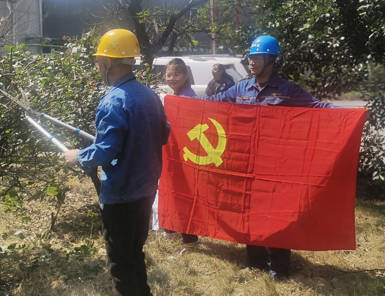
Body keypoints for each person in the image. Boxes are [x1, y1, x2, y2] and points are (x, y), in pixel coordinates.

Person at [206, 34, 336, 280]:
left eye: (257, 57)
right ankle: (255, 261)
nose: (251, 62)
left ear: (271, 60)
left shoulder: (287, 90)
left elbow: (317, 107)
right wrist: (176, 102)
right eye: (250, 57)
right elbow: (212, 103)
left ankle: (279, 266)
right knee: (249, 211)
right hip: (247, 163)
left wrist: (352, 114)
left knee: (277, 214)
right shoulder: (241, 88)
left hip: (276, 166)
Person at [63, 28, 169, 296]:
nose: (98, 67)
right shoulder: (150, 96)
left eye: (99, 61)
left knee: (121, 265)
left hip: (121, 197)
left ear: (107, 62)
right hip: (146, 192)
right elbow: (163, 134)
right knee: (134, 253)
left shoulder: (113, 101)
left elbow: (105, 152)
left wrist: (77, 156)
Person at [163, 57, 199, 246]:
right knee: (172, 190)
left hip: (186, 156)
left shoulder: (189, 99)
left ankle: (189, 237)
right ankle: (171, 227)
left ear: (185, 76)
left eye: (176, 74)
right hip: (172, 154)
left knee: (185, 195)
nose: (172, 78)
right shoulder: (172, 98)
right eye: (169, 75)